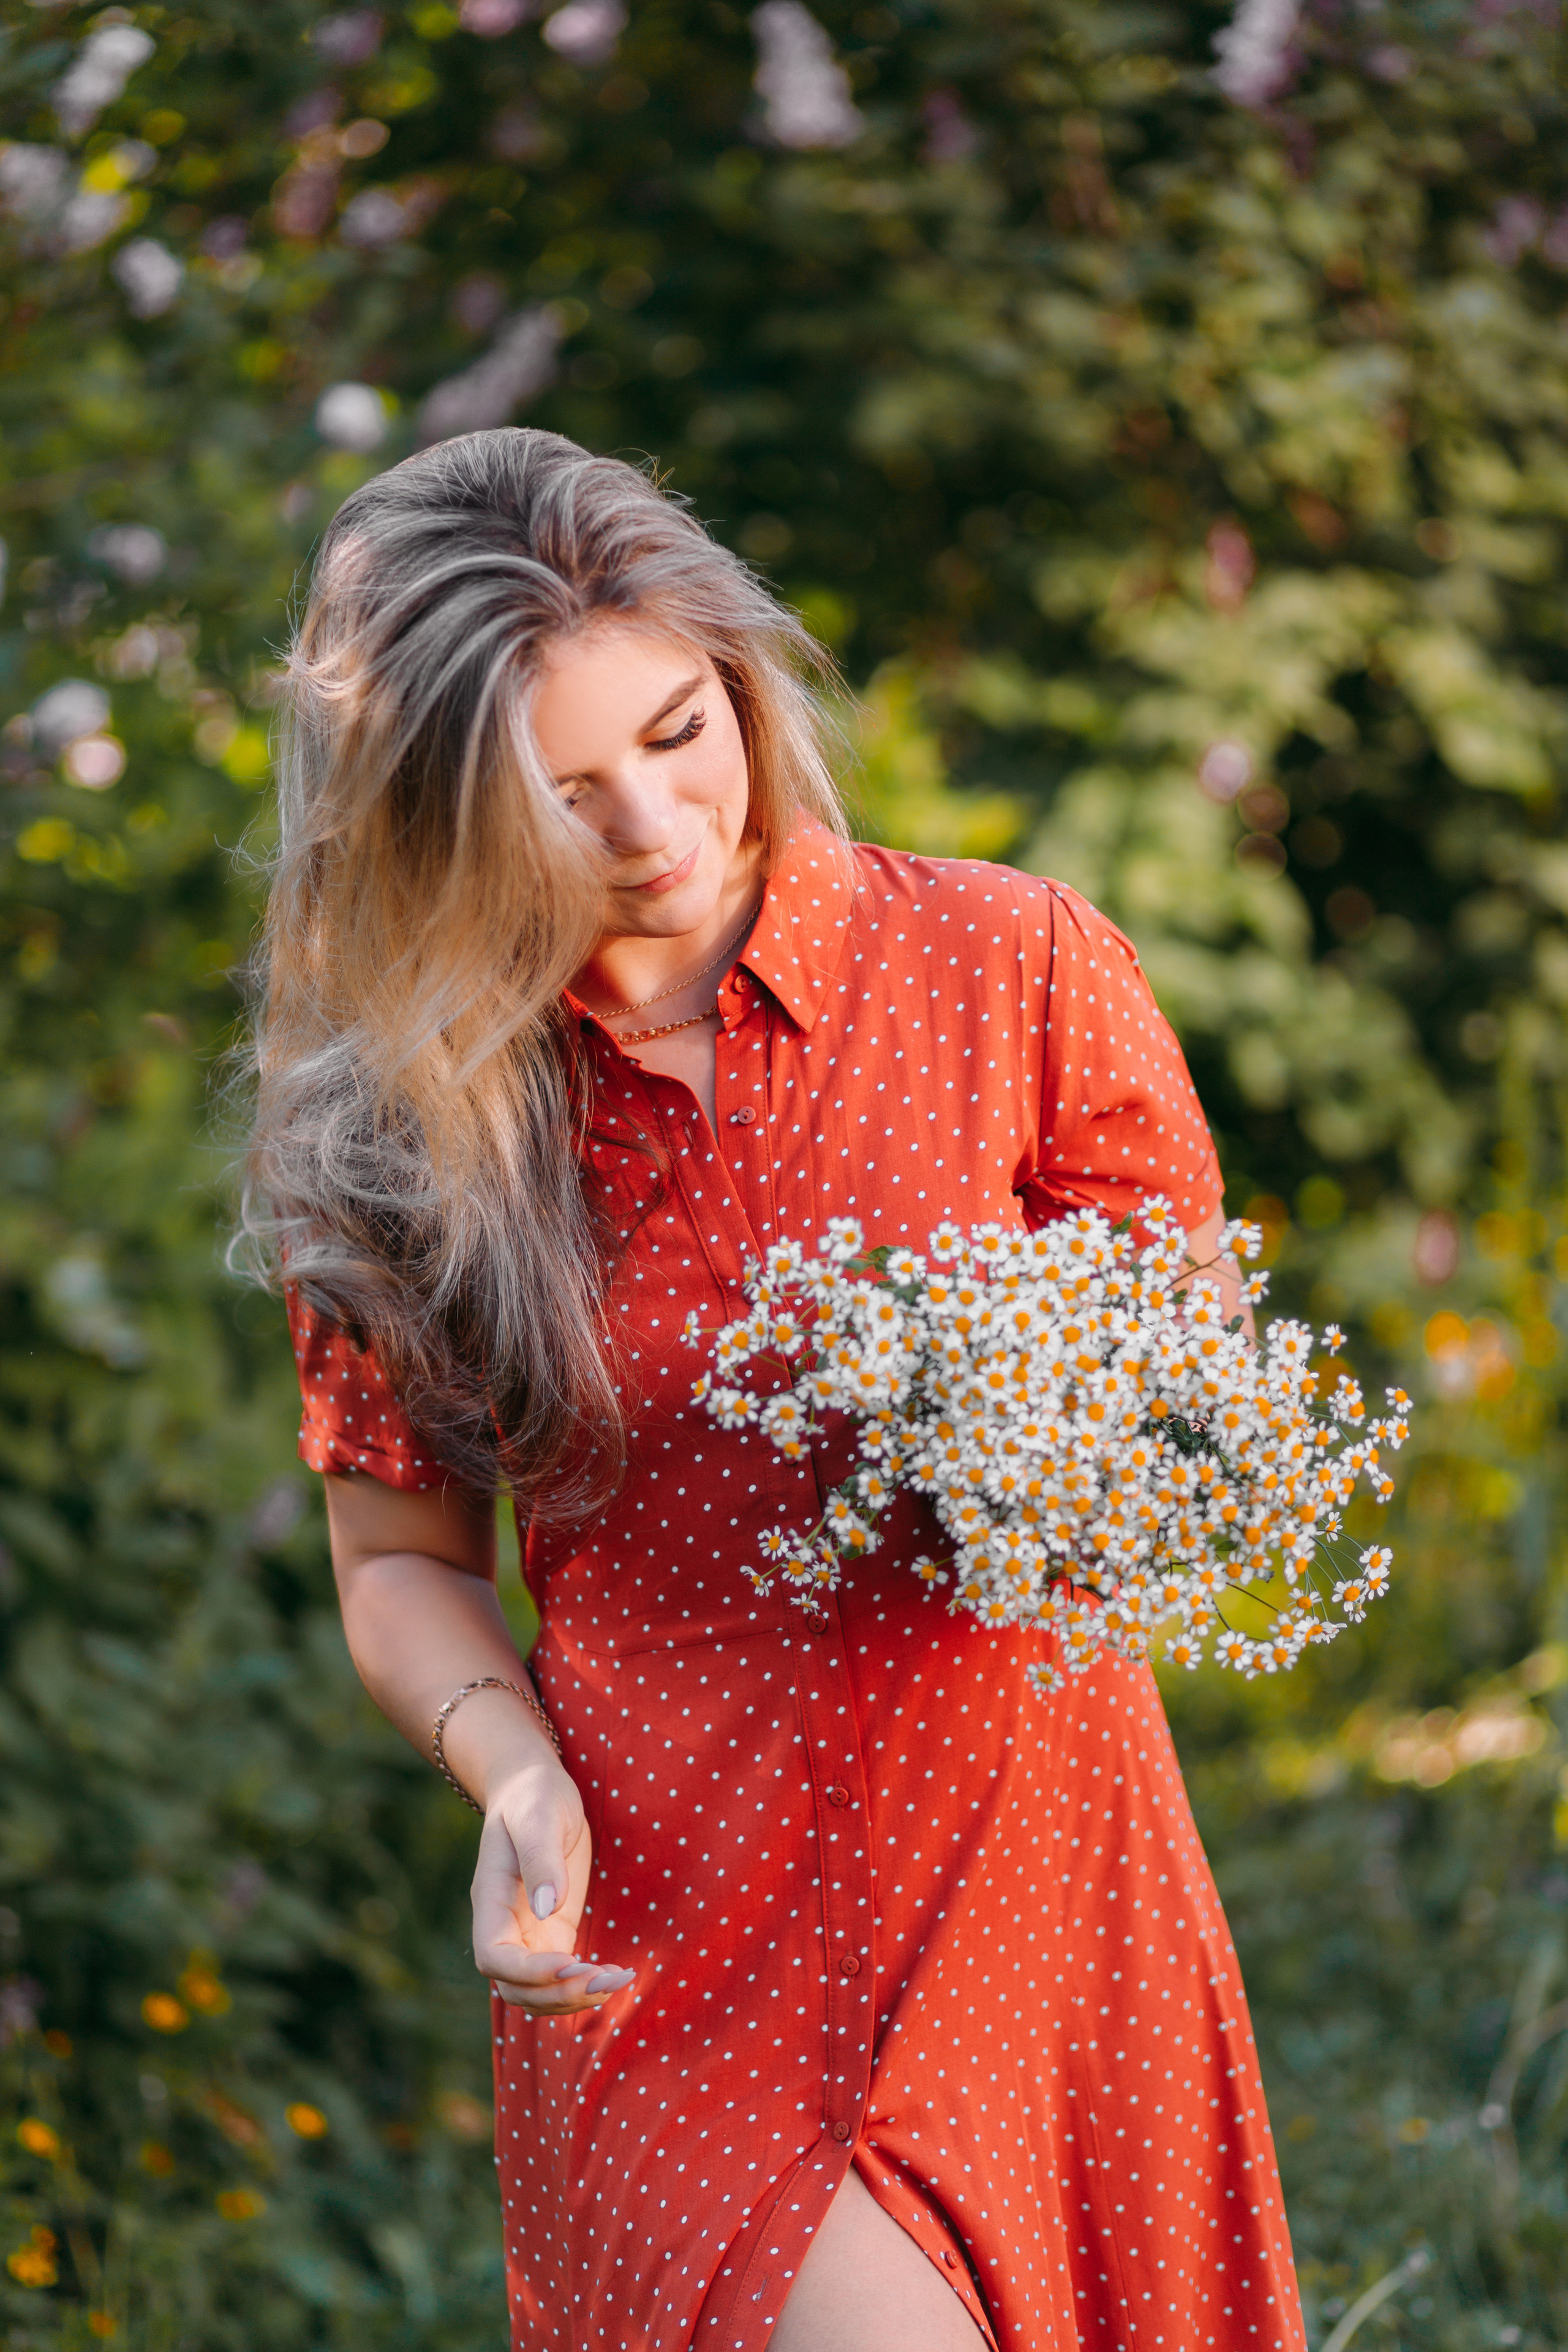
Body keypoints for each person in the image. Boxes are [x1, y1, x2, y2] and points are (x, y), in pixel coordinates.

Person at [245, 426, 1306, 2352]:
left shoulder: (1019, 969)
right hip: (663, 1934)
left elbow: (1190, 1400)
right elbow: (401, 1560)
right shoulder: (413, 1139)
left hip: (1035, 1896)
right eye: (558, 793)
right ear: (434, 818)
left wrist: (1075, 1445)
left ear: (736, 677)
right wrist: (512, 1776)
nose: (651, 822)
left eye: (675, 730)